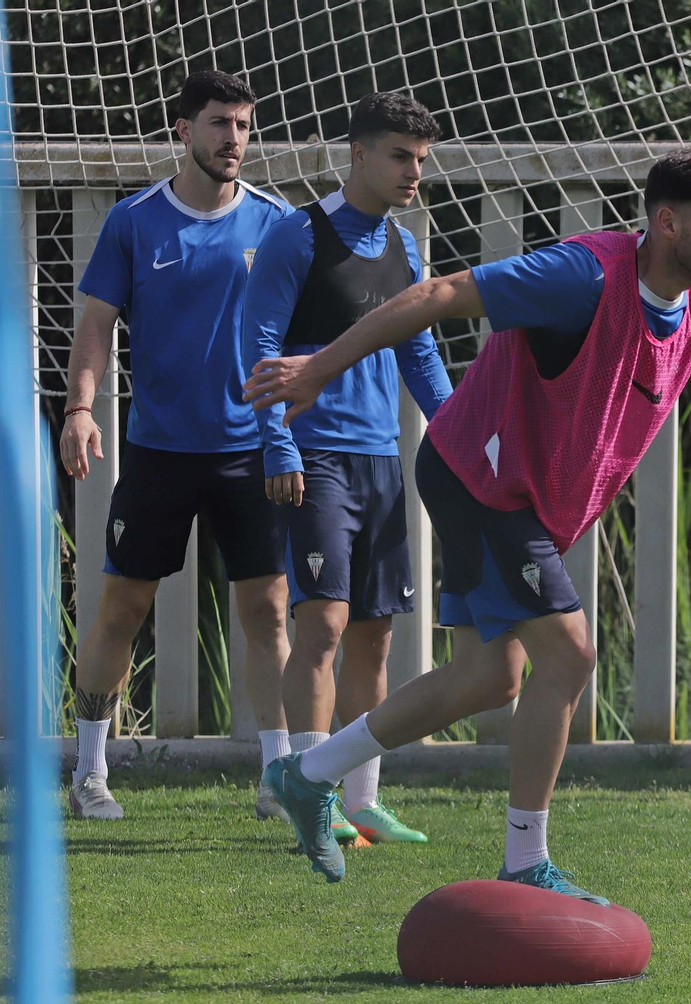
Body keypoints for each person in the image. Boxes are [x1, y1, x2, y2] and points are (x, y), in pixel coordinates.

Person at [249, 150, 691, 893]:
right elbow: (441, 292)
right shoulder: (582, 275)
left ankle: (309, 773)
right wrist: (322, 366)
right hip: (480, 480)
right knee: (570, 654)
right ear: (665, 223)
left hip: (514, 494)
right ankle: (526, 862)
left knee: (489, 677)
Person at [60, 69, 294, 821]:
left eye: (244, 125)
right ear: (183, 131)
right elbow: (97, 324)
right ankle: (90, 772)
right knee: (123, 605)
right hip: (159, 450)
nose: (234, 139)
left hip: (253, 449)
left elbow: (308, 336)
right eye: (220, 123)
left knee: (268, 612)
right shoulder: (134, 222)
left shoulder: (277, 222)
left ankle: (278, 777)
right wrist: (81, 408)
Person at [242, 92, 451, 846]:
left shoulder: (406, 245)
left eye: (421, 161)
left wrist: (455, 433)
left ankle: (361, 800)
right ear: (357, 154)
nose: (412, 173)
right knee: (322, 625)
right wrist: (277, 441)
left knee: (375, 637)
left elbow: (420, 352)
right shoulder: (298, 234)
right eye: (400, 156)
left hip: (380, 461)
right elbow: (258, 338)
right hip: (314, 456)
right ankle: (310, 791)